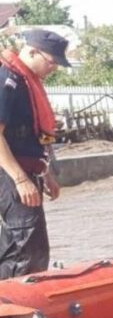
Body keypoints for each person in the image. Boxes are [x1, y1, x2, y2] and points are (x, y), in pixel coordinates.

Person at [0, 29, 69, 278]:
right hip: (12, 174)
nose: (54, 69)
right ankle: (16, 312)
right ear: (32, 51)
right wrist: (20, 180)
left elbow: (39, 134)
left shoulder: (28, 82)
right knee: (26, 249)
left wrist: (46, 173)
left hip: (30, 170)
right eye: (51, 62)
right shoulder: (8, 79)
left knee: (22, 246)